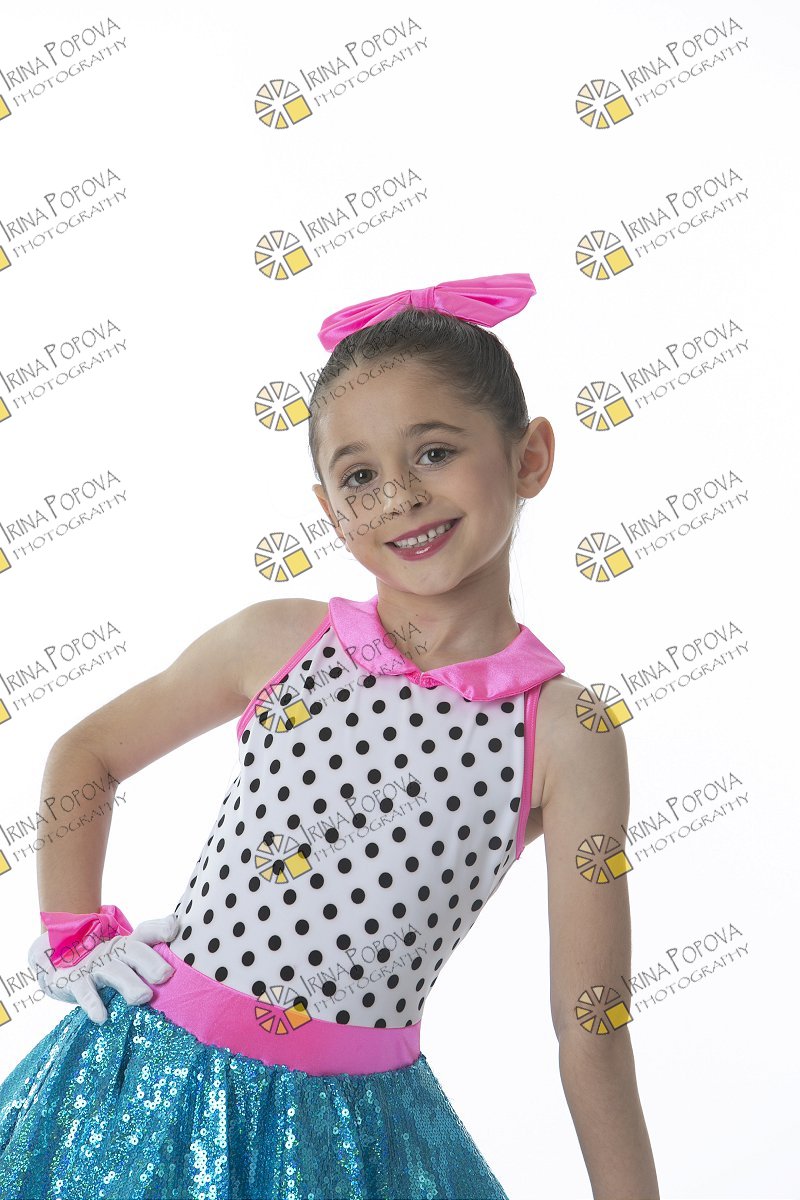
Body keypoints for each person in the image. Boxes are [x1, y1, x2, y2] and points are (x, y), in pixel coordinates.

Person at [0, 272, 660, 1199]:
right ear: (329, 508)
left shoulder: (566, 732)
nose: (398, 496)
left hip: (354, 1139)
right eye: (359, 476)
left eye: (435, 452)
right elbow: (88, 754)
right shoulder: (278, 641)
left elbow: (589, 1023)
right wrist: (77, 938)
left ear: (530, 457)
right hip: (150, 1088)